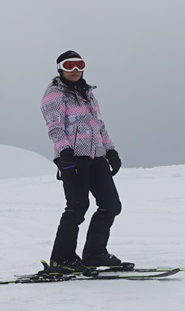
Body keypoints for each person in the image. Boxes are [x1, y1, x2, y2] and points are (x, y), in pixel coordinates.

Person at [39, 50, 124, 275]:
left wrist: (111, 151)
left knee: (111, 205)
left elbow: (99, 125)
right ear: (60, 68)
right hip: (72, 158)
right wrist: (65, 152)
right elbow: (55, 127)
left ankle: (94, 253)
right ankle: (62, 259)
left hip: (96, 156)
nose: (75, 70)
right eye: (69, 66)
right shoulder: (54, 94)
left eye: (79, 65)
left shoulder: (87, 94)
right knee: (77, 207)